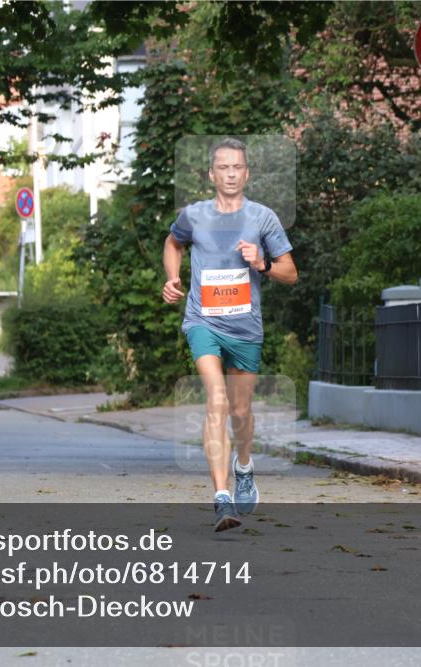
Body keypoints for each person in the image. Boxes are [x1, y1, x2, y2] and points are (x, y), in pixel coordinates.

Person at [163, 138, 298, 532]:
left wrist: (262, 262)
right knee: (216, 400)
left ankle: (244, 466)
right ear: (211, 174)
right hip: (203, 322)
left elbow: (291, 273)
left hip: (246, 328)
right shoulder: (193, 215)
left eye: (237, 167)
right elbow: (173, 243)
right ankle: (222, 497)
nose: (231, 174)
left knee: (240, 412)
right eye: (223, 167)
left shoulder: (263, 218)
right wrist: (173, 278)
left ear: (247, 173)